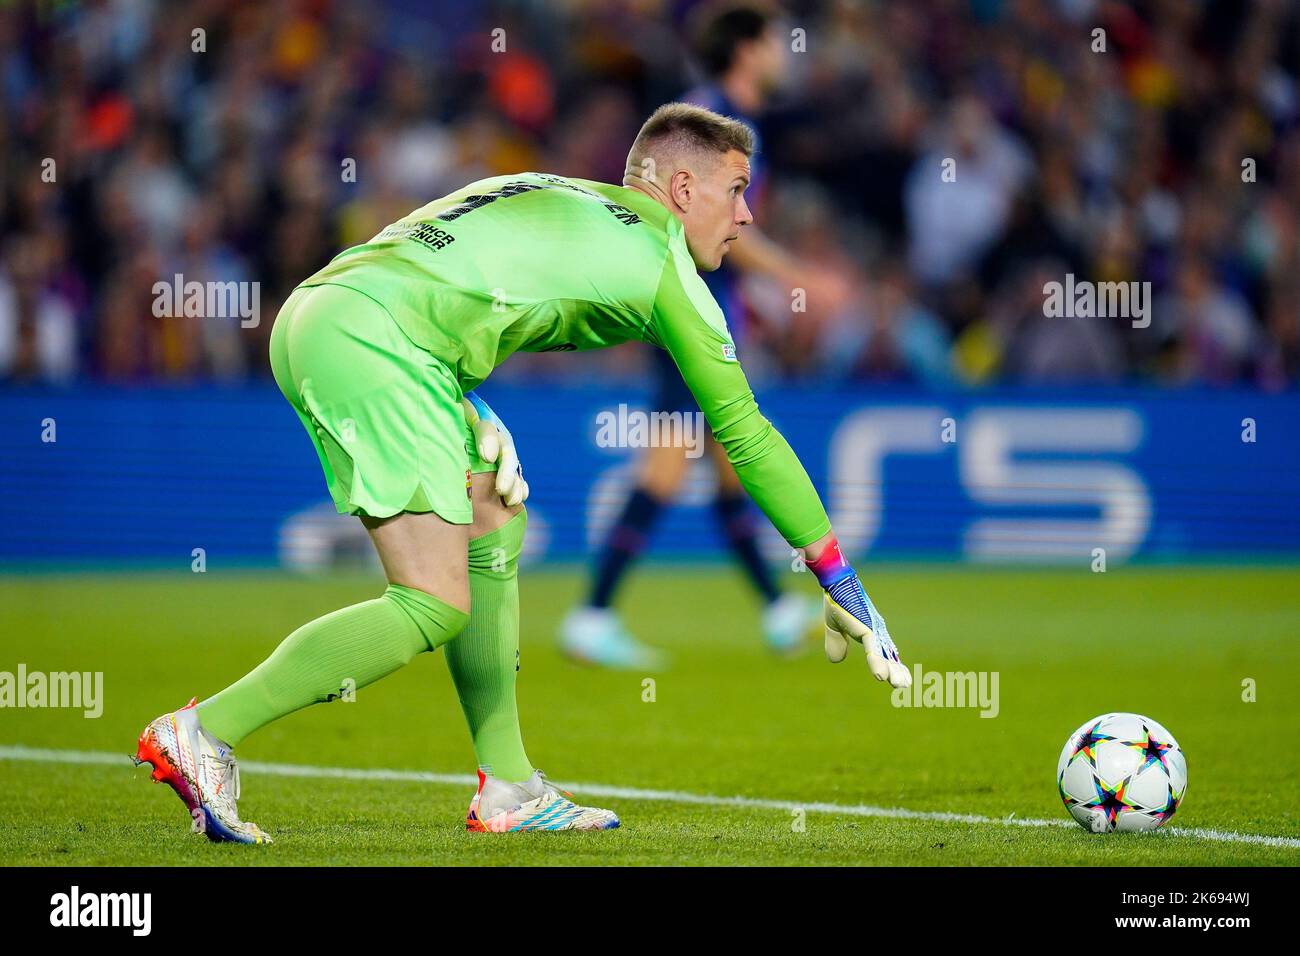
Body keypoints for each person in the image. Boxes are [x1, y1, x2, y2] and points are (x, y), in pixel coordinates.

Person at [134, 102, 910, 842]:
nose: (746, 215)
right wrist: (837, 577)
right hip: (379, 343)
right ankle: (205, 732)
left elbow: (451, 274)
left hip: (331, 312)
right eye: (737, 191)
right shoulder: (663, 261)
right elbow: (747, 435)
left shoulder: (552, 189)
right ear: (682, 189)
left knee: (494, 516)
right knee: (432, 603)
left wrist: (463, 402)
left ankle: (509, 788)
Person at [560, 2, 848, 667]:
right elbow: (705, 229)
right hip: (681, 310)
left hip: (707, 310)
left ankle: (777, 610)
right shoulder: (708, 123)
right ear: (747, 50)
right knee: (666, 465)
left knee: (726, 467)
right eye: (776, 42)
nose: (786, 53)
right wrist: (801, 276)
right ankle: (592, 614)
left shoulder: (728, 120)